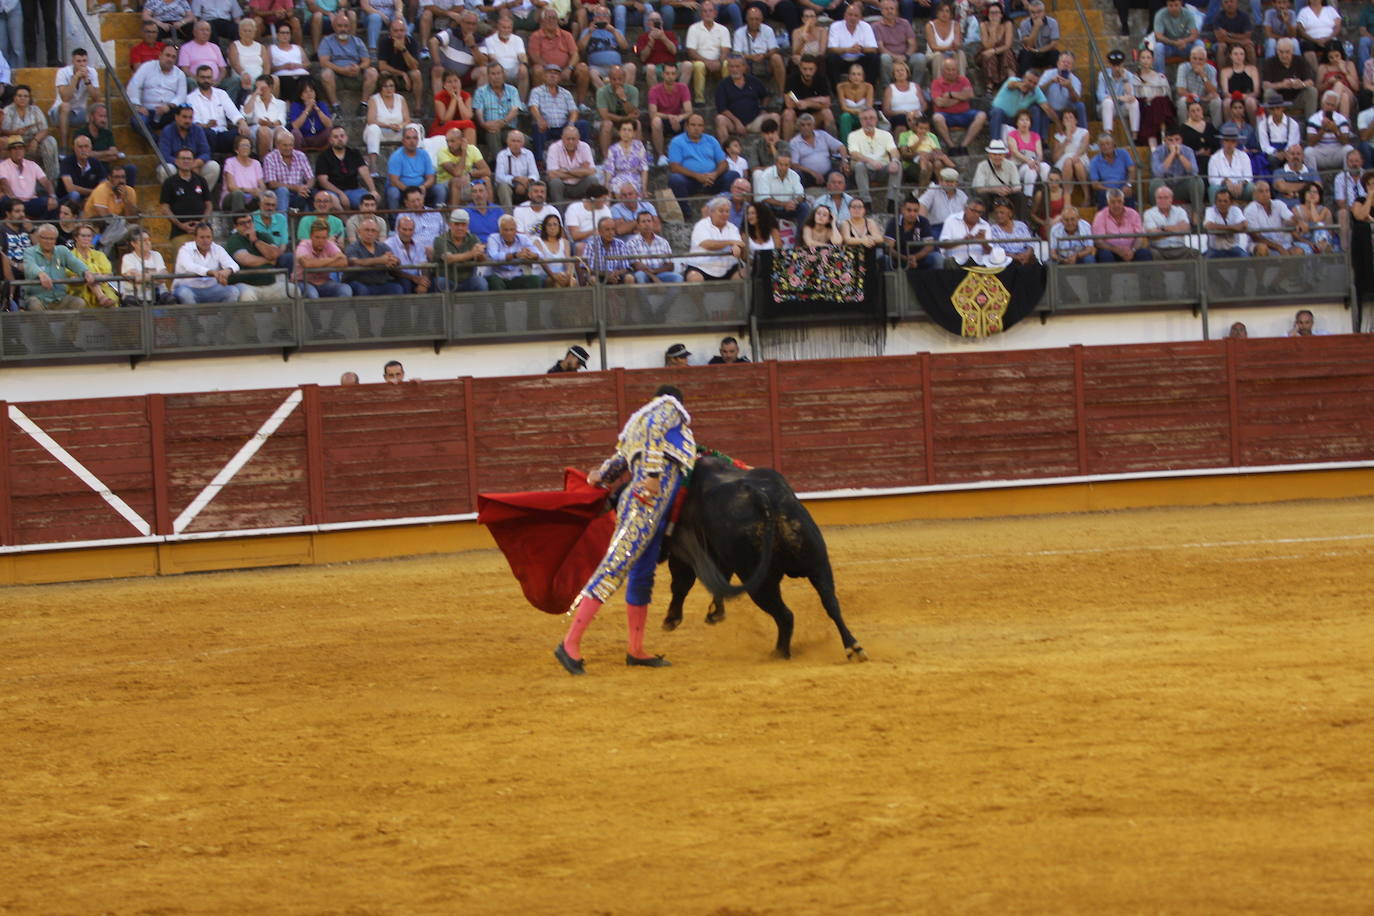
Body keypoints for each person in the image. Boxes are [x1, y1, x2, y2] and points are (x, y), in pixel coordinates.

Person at [555, 386, 694, 674]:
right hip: (645, 502)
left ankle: (636, 650)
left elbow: (620, 460)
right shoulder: (667, 408)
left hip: (652, 509)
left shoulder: (636, 425)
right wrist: (653, 475)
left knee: (642, 575)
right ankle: (569, 644)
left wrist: (599, 476)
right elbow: (655, 428)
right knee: (614, 568)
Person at [667, 112, 738, 211]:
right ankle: (686, 212)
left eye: (700, 125)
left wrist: (715, 174)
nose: (696, 128)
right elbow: (674, 167)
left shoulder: (711, 140)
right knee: (675, 179)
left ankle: (722, 206)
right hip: (690, 181)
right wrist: (697, 176)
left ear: (703, 127)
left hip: (712, 180)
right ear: (686, 126)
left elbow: (724, 163)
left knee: (733, 175)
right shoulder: (677, 142)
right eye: (693, 125)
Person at [318, 12, 379, 118]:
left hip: (355, 74)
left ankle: (363, 105)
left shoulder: (357, 41)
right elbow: (323, 62)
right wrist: (341, 70)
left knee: (372, 72)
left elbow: (367, 61)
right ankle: (335, 106)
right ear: (334, 27)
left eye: (346, 26)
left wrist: (359, 67)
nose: (343, 29)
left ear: (350, 27)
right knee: (326, 74)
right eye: (340, 26)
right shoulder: (327, 41)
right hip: (336, 76)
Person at [22, 222, 92, 311]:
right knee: (34, 304)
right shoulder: (29, 252)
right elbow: (30, 266)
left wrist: (86, 271)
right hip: (38, 298)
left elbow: (75, 262)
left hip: (61, 297)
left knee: (79, 302)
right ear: (38, 238)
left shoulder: (62, 250)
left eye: (52, 239)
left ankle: (67, 322)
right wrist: (41, 274)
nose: (48, 241)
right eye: (45, 238)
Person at [225, 210, 290, 301]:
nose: (247, 225)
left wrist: (255, 240)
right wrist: (269, 259)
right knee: (247, 296)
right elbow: (247, 260)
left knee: (293, 290)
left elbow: (275, 254)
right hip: (245, 284)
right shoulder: (234, 240)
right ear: (235, 226)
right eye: (242, 223)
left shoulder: (264, 236)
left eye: (249, 222)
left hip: (270, 283)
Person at [174, 223, 242, 304]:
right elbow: (190, 266)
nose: (205, 240)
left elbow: (234, 265)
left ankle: (223, 313)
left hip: (211, 289)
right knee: (184, 294)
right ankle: (194, 313)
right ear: (195, 238)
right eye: (202, 237)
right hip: (189, 288)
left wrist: (228, 270)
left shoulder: (217, 248)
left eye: (208, 237)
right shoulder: (185, 249)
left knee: (233, 291)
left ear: (212, 238)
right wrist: (211, 272)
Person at [930, 55, 985, 155]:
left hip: (965, 114)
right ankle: (952, 147)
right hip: (945, 115)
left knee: (982, 115)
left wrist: (950, 95)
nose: (951, 72)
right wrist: (961, 97)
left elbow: (970, 95)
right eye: (948, 70)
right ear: (942, 70)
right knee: (937, 118)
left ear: (957, 70)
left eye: (953, 70)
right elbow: (939, 102)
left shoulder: (964, 80)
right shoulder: (936, 83)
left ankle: (964, 146)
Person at [848, 108, 900, 213]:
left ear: (876, 120)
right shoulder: (853, 135)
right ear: (860, 121)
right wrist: (870, 161)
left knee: (897, 164)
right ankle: (866, 202)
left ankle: (892, 201)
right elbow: (854, 154)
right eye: (865, 118)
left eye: (871, 118)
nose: (868, 121)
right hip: (865, 169)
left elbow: (894, 150)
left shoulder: (886, 134)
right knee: (859, 165)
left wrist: (894, 160)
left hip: (882, 169)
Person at [316, 125, 379, 211]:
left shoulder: (354, 153)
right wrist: (341, 193)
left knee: (370, 201)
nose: (340, 139)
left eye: (342, 136)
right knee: (332, 200)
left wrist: (373, 190)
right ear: (330, 140)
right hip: (333, 191)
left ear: (346, 138)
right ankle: (346, 219)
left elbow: (364, 171)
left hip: (353, 190)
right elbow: (323, 181)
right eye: (336, 137)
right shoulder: (323, 157)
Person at [129, 45, 188, 135]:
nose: (170, 59)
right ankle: (156, 140)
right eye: (167, 55)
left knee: (183, 119)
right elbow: (133, 86)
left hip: (169, 112)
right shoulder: (147, 67)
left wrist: (169, 106)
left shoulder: (180, 74)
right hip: (147, 111)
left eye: (173, 57)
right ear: (160, 55)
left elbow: (182, 96)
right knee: (137, 121)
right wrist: (138, 106)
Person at [685, 0, 733, 105]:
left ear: (715, 13)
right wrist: (706, 61)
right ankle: (699, 99)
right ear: (701, 14)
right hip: (700, 60)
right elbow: (691, 52)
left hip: (718, 61)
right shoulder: (693, 29)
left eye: (710, 11)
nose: (708, 13)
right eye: (705, 11)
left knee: (727, 63)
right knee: (699, 65)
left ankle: (728, 96)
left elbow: (725, 50)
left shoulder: (723, 29)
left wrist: (719, 61)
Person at [158, 147, 213, 239]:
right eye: (183, 158)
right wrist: (180, 225)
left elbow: (209, 205)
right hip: (179, 233)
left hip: (202, 233)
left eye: (189, 159)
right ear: (176, 161)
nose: (186, 161)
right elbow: (164, 208)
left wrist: (202, 223)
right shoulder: (169, 182)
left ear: (193, 161)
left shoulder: (201, 180)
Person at [50, 48, 99, 150]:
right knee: (66, 106)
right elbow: (65, 98)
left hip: (79, 112)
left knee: (100, 109)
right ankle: (64, 147)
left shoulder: (92, 72)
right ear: (73, 61)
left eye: (84, 61)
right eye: (79, 61)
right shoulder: (62, 72)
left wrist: (87, 80)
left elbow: (96, 98)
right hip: (58, 113)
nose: (82, 64)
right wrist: (75, 78)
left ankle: (100, 146)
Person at [345, 215, 407, 296]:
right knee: (361, 289)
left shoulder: (383, 247)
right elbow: (355, 262)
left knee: (396, 288)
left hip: (380, 283)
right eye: (367, 230)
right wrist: (380, 260)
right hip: (360, 283)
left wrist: (395, 261)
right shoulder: (353, 247)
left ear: (377, 234)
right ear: (359, 232)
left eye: (373, 231)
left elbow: (392, 260)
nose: (370, 233)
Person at [685, 197, 745, 279]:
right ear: (711, 212)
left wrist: (736, 247)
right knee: (694, 277)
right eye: (721, 211)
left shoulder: (733, 228)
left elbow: (738, 244)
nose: (725, 214)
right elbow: (708, 244)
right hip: (701, 267)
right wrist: (731, 242)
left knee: (743, 274)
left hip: (728, 268)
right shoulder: (701, 225)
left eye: (727, 211)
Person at [715, 55, 769, 144]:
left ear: (744, 67)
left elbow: (765, 96)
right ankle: (725, 150)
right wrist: (737, 122)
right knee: (720, 119)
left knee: (774, 117)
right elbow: (722, 109)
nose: (734, 69)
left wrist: (763, 109)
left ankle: (777, 148)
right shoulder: (722, 85)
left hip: (754, 121)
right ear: (728, 68)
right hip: (733, 123)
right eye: (731, 67)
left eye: (737, 66)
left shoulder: (754, 81)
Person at [294, 219, 352, 303]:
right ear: (311, 236)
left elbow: (344, 262)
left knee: (345, 289)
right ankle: (315, 313)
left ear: (327, 237)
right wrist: (333, 259)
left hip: (324, 282)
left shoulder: (330, 244)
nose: (320, 241)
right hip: (303, 282)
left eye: (324, 238)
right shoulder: (303, 245)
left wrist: (316, 263)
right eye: (317, 237)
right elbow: (307, 264)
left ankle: (337, 312)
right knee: (312, 295)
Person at [83, 165, 136, 254]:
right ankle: (101, 248)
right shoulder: (101, 190)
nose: (121, 181)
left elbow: (132, 219)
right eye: (117, 177)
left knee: (135, 228)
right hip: (94, 224)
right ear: (109, 178)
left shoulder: (130, 191)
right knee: (116, 221)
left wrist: (126, 200)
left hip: (118, 227)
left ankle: (102, 244)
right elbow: (105, 218)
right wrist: (120, 223)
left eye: (123, 177)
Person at [362, 74, 410, 173]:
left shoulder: (400, 99)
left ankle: (415, 160)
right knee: (373, 128)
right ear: (380, 87)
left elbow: (407, 119)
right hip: (380, 133)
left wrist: (400, 126)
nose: (389, 89)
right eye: (385, 86)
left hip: (397, 132)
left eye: (391, 86)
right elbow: (371, 120)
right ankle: (373, 165)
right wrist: (388, 126)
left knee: (414, 127)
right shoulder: (374, 99)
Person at [752, 142, 808, 226]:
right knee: (764, 206)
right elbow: (764, 198)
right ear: (776, 163)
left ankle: (801, 233)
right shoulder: (766, 175)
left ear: (790, 165)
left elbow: (801, 195)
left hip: (789, 208)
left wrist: (794, 202)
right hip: (772, 208)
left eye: (786, 165)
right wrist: (784, 204)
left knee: (804, 207)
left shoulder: (794, 175)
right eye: (781, 164)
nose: (783, 167)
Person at [733, 6, 786, 93]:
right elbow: (737, 53)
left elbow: (774, 49)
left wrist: (764, 55)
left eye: (757, 19)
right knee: (739, 62)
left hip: (766, 60)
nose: (754, 22)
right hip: (747, 61)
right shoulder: (739, 32)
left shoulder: (768, 30)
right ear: (747, 19)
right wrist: (751, 57)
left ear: (761, 19)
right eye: (751, 19)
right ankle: (743, 93)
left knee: (776, 58)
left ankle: (781, 93)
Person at [1092, 188, 1152, 263]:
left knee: (1145, 253)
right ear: (1108, 202)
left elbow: (1139, 237)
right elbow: (1098, 241)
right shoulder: (1100, 216)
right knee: (1105, 255)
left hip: (1131, 250)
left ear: (1123, 201)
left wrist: (1132, 250)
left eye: (1119, 201)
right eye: (1113, 202)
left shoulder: (1133, 214)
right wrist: (1117, 250)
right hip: (1111, 251)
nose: (1116, 205)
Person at [386, 124, 439, 209]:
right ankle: (393, 217)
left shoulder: (424, 154)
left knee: (439, 189)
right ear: (403, 141)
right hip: (402, 189)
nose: (412, 141)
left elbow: (431, 178)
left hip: (421, 188)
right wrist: (410, 191)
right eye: (408, 138)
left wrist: (424, 186)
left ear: (418, 140)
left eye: (414, 138)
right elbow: (394, 181)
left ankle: (436, 214)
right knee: (393, 192)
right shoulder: (396, 156)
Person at [648, 61, 692, 160]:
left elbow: (689, 111)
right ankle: (661, 156)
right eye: (667, 73)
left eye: (673, 74)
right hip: (663, 119)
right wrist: (670, 117)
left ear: (677, 75)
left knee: (692, 120)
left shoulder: (683, 88)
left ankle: (688, 153)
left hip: (678, 118)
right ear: (663, 74)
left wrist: (679, 118)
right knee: (655, 121)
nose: (670, 76)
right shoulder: (654, 90)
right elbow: (652, 113)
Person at [377, 17, 423, 110]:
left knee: (417, 74)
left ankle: (418, 107)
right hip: (392, 73)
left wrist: (403, 49)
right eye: (396, 31)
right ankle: (385, 106)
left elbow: (414, 66)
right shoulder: (384, 42)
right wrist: (402, 73)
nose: (399, 33)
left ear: (405, 31)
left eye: (401, 30)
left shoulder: (412, 42)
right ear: (390, 32)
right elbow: (382, 66)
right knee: (384, 73)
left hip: (408, 73)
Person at [264, 130, 316, 212]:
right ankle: (283, 218)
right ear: (277, 145)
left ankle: (309, 219)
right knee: (282, 190)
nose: (288, 148)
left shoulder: (300, 156)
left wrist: (306, 188)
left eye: (290, 145)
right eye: (285, 145)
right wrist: (296, 188)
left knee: (313, 193)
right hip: (279, 193)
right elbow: (272, 183)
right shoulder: (270, 158)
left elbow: (310, 178)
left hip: (300, 192)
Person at [1304, 90, 1354, 173]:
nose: (1330, 107)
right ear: (1322, 104)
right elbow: (1310, 143)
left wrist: (1336, 130)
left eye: (1332, 105)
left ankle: (1347, 178)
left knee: (1349, 149)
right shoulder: (1313, 119)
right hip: (1320, 153)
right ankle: (1313, 179)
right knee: (1308, 151)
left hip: (1336, 152)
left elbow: (1345, 142)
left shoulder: (1341, 119)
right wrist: (1323, 129)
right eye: (1328, 104)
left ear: (1336, 107)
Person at [626, 210, 680, 284]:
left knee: (678, 277)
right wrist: (653, 277)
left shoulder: (663, 242)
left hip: (660, 273)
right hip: (643, 273)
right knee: (639, 275)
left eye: (649, 221)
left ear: (653, 223)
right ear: (638, 225)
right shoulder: (632, 242)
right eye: (643, 222)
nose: (647, 224)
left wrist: (654, 272)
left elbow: (670, 266)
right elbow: (636, 265)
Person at [1175, 45, 1223, 128]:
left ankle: (1216, 130)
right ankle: (1184, 130)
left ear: (1205, 60)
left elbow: (1213, 92)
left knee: (1217, 101)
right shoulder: (1183, 67)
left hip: (1205, 102)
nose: (1197, 62)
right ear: (1190, 59)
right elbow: (1181, 90)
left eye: (1200, 59)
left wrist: (1203, 76)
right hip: (1189, 99)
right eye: (1194, 58)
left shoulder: (1211, 69)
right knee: (1182, 102)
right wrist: (1197, 98)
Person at [887, 196, 940, 270]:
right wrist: (906, 259)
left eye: (915, 211)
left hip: (919, 258)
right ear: (902, 210)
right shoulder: (893, 222)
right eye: (909, 210)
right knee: (885, 259)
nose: (912, 214)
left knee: (937, 258)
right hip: (898, 259)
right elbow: (888, 248)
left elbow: (929, 246)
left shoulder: (923, 221)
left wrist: (915, 257)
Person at [1097, 49, 1139, 139]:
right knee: (1108, 102)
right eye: (1114, 65)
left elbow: (1131, 96)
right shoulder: (1102, 75)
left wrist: (1125, 79)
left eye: (1119, 65)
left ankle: (1134, 136)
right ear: (1109, 65)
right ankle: (1108, 134)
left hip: (1121, 107)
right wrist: (1119, 97)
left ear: (1122, 64)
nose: (1116, 68)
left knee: (1134, 103)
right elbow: (1100, 96)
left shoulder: (1129, 75)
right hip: (1106, 108)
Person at [244, 76, 290, 159]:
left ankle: (280, 161)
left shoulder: (280, 103)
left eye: (263, 88)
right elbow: (246, 115)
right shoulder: (251, 99)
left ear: (271, 88)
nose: (260, 91)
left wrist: (270, 124)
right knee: (264, 131)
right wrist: (254, 95)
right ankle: (265, 162)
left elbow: (281, 121)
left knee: (281, 132)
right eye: (257, 88)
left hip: (274, 128)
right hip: (256, 130)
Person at [1143, 185, 1193, 260]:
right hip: (1158, 249)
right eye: (1160, 198)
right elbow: (1152, 234)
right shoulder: (1149, 213)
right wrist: (1176, 229)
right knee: (1151, 254)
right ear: (1155, 199)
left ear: (1171, 199)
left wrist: (1162, 228)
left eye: (1166, 197)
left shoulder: (1180, 211)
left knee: (1196, 253)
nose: (1162, 200)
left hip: (1180, 248)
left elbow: (1186, 229)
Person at [940, 198, 995, 266]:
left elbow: (990, 252)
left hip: (978, 263)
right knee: (949, 261)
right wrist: (962, 241)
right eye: (973, 210)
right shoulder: (952, 220)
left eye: (979, 212)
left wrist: (984, 243)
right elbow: (942, 244)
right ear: (965, 209)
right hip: (956, 261)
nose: (976, 214)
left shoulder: (985, 225)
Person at [581, 216, 636, 284]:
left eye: (613, 229)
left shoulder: (620, 244)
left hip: (617, 276)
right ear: (600, 231)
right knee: (592, 279)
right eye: (607, 230)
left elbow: (626, 267)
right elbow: (588, 268)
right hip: (599, 276)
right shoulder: (592, 245)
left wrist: (616, 273)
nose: (611, 232)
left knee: (629, 277)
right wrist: (606, 275)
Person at [494, 129, 540, 209]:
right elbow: (499, 177)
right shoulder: (502, 155)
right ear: (508, 142)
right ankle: (508, 214)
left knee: (538, 185)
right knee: (503, 187)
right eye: (513, 141)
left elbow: (535, 174)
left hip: (526, 184)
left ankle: (535, 211)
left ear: (522, 143)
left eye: (518, 141)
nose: (516, 144)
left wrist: (526, 182)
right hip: (509, 185)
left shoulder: (528, 154)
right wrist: (516, 179)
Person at [1208, 123, 1253, 203]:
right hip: (1223, 189)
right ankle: (1214, 210)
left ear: (1236, 143)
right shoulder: (1214, 158)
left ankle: (1255, 210)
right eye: (1227, 140)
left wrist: (1242, 183)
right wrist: (1226, 181)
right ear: (1222, 142)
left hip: (1241, 188)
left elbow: (1249, 176)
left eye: (1233, 141)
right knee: (1213, 189)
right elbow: (1212, 179)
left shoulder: (1243, 156)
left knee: (1252, 187)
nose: (1229, 144)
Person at [222, 134, 267, 212]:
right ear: (236, 149)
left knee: (264, 196)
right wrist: (249, 190)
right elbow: (231, 187)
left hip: (251, 197)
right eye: (242, 145)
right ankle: (239, 219)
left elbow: (262, 186)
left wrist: (259, 191)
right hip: (231, 197)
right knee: (238, 194)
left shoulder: (256, 163)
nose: (245, 147)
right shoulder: (230, 162)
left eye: (247, 145)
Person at [1088, 132, 1134, 208]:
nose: (1105, 147)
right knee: (1103, 195)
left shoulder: (1123, 153)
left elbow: (1132, 170)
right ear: (1099, 147)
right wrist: (1111, 190)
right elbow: (1095, 184)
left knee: (1128, 192)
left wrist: (1128, 185)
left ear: (1113, 144)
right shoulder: (1094, 161)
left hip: (1123, 187)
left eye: (1108, 143)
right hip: (1106, 190)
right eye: (1102, 145)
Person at [532, 212, 577, 287]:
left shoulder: (565, 242)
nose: (552, 227)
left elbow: (567, 261)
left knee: (573, 281)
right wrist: (554, 275)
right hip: (545, 275)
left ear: (559, 227)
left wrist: (567, 274)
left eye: (555, 224)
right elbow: (542, 262)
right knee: (556, 282)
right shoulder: (538, 242)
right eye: (549, 225)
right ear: (545, 227)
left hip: (562, 274)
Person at [1292, 182, 1336, 255]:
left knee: (1319, 225)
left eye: (1315, 192)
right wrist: (1308, 243)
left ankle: (1321, 249)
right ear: (1304, 194)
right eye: (1309, 192)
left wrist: (1312, 204)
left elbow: (1316, 221)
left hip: (1323, 240)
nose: (1312, 194)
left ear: (1319, 195)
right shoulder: (1296, 209)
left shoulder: (1324, 210)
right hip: (1304, 241)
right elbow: (1294, 232)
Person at [1203, 187, 1248, 257]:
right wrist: (1233, 228)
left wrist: (1218, 228)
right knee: (1204, 261)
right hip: (1215, 249)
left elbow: (1245, 224)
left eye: (1225, 201)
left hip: (1233, 248)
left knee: (1245, 258)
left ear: (1231, 202)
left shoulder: (1235, 210)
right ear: (1215, 202)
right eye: (1219, 201)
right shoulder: (1210, 210)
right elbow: (1208, 225)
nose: (1222, 204)